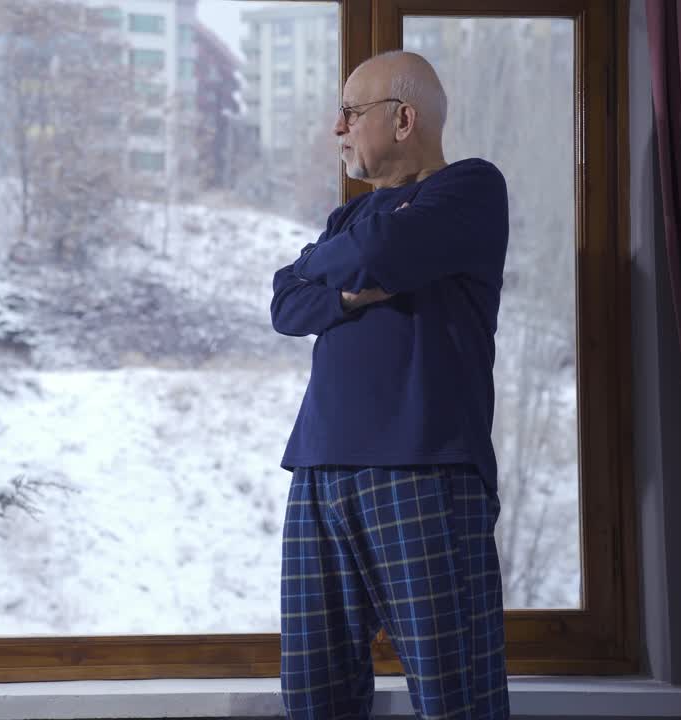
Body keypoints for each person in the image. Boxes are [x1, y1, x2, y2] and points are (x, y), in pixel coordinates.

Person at [270, 50, 511, 719]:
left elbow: (378, 256)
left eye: (350, 113)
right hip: (317, 471)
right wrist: (350, 290)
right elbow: (286, 305)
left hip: (424, 467)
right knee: (315, 695)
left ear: (403, 119)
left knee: (454, 694)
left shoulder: (469, 189)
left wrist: (331, 271)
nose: (337, 129)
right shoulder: (347, 219)